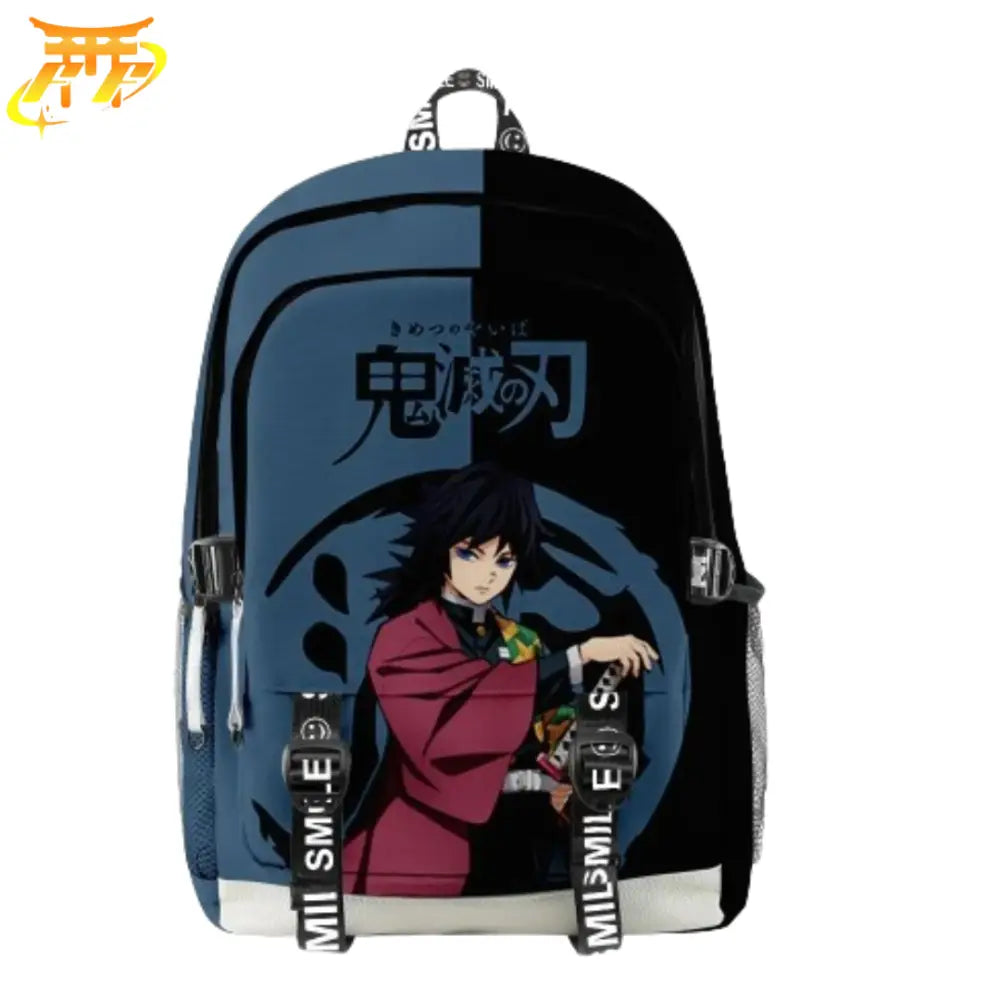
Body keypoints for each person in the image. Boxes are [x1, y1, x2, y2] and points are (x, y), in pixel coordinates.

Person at [342, 462, 657, 896]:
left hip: (521, 842)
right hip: (424, 842)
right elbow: (451, 726)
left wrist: (572, 783)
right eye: (470, 553)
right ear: (442, 548)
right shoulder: (403, 637)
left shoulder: (523, 641)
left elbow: (555, 729)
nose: (488, 573)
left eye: (504, 559)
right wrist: (578, 656)